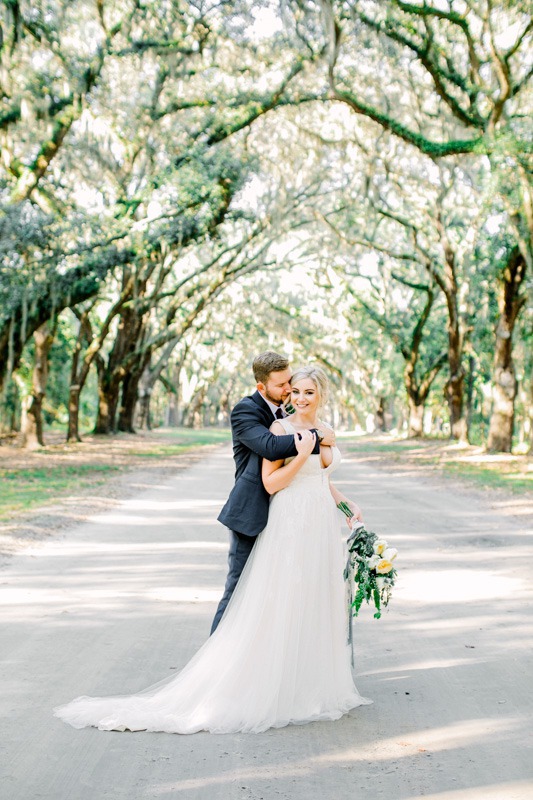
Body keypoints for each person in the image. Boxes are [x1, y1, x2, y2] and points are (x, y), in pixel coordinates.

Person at [54, 364, 371, 734]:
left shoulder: (325, 431)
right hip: (290, 523)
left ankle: (310, 683)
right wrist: (302, 454)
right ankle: (241, 675)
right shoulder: (279, 429)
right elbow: (272, 484)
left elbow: (320, 480)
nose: (297, 397)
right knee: (278, 597)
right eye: (293, 390)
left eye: (306, 392)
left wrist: (345, 505)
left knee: (315, 598)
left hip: (319, 524)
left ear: (321, 396)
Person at [212, 350, 339, 633]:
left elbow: (314, 476)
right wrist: (318, 438)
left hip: (294, 516)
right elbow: (270, 446)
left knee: (280, 595)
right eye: (283, 386)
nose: (289, 390)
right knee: (239, 591)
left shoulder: (288, 410)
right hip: (253, 512)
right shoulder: (246, 410)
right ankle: (217, 659)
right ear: (261, 386)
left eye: (290, 383)